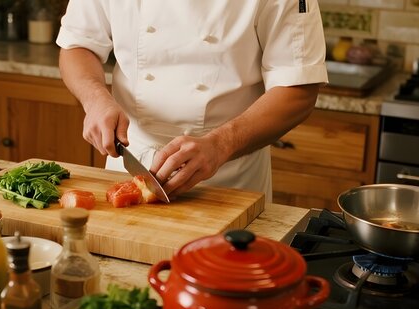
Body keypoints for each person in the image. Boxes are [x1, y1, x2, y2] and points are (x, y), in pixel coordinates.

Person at [56, 1, 328, 201]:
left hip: (228, 178)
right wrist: (95, 99)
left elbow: (298, 88)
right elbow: (79, 44)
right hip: (129, 160)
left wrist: (221, 145)